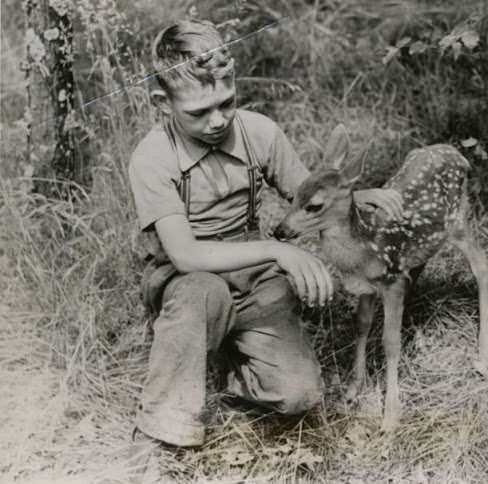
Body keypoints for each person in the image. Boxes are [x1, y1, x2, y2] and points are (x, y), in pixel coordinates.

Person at [127, 18, 402, 460]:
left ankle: (225, 364)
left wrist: (358, 196)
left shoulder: (259, 132)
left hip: (256, 279)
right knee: (201, 292)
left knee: (300, 396)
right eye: (198, 112)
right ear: (162, 101)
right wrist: (278, 249)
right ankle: (162, 428)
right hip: (187, 276)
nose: (217, 120)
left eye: (226, 102)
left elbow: (306, 195)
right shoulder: (153, 157)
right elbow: (184, 253)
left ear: (235, 82)